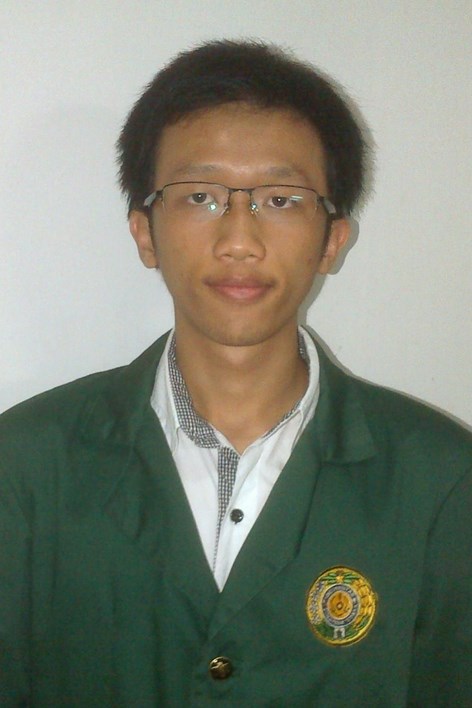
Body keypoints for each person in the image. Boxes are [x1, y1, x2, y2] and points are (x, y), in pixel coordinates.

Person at [1, 39, 471, 707]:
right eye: (201, 196)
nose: (240, 241)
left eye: (281, 200)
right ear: (144, 231)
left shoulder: (441, 479)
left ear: (332, 239)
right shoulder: (23, 466)